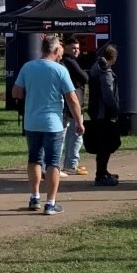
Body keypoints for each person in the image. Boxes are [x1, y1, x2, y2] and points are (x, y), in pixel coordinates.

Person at [12, 35, 84, 214]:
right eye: (60, 48)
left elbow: (16, 92)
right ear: (55, 50)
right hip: (53, 123)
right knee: (53, 162)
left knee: (34, 159)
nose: (62, 51)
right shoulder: (60, 70)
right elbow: (72, 98)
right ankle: (50, 203)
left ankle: (34, 197)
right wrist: (79, 120)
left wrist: (33, 93)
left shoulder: (28, 67)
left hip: (32, 121)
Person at [85, 44, 120, 186]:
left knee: (102, 144)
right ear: (114, 57)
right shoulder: (105, 72)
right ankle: (101, 174)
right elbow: (108, 94)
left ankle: (103, 171)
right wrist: (115, 109)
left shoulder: (96, 68)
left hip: (96, 111)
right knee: (106, 145)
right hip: (104, 112)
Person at [59, 36, 90, 176]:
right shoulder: (69, 61)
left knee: (69, 134)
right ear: (65, 48)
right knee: (76, 134)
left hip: (70, 102)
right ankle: (71, 164)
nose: (76, 51)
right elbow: (84, 78)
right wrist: (83, 76)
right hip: (73, 103)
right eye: (73, 48)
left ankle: (67, 163)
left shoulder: (67, 61)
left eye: (78, 48)